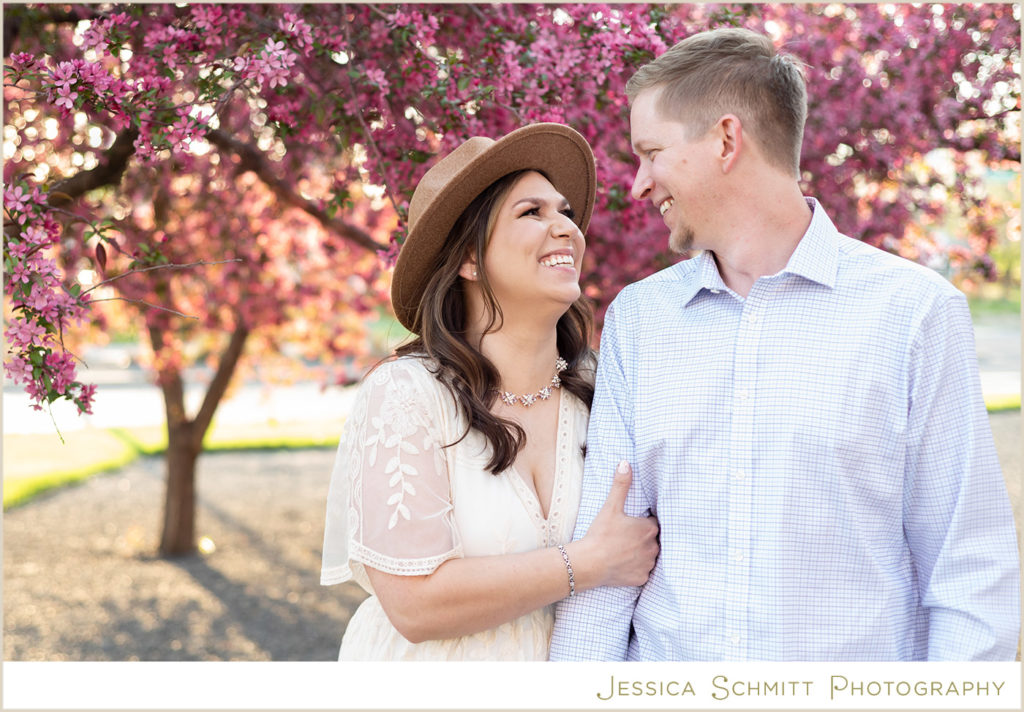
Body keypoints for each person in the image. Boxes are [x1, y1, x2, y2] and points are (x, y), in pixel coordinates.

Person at [550, 27, 1020, 661]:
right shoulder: (640, 319)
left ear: (724, 140)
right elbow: (606, 559)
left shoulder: (914, 314)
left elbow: (968, 571)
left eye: (651, 152)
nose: (639, 183)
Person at [320, 123, 659, 660]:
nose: (566, 228)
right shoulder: (408, 394)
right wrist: (590, 562)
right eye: (532, 213)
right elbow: (414, 604)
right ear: (468, 260)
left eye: (565, 212)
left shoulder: (605, 390)